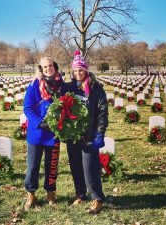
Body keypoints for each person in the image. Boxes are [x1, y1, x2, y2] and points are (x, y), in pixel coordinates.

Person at [66, 50, 108, 214]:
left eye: (80, 70)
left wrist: (99, 133)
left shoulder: (96, 88)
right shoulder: (70, 87)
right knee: (76, 166)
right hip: (73, 135)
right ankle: (81, 194)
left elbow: (102, 112)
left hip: (89, 135)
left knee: (90, 169)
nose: (78, 73)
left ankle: (97, 198)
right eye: (75, 70)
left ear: (86, 70)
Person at [23, 56, 64, 211]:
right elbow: (28, 108)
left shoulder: (62, 86)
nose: (48, 68)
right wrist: (40, 121)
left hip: (54, 135)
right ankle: (31, 194)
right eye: (45, 66)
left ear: (55, 66)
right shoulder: (34, 86)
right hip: (37, 133)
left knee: (51, 166)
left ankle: (50, 192)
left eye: (51, 66)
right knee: (33, 166)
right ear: (41, 69)